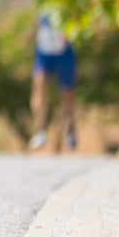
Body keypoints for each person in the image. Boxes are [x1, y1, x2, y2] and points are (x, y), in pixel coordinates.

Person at [28, 10, 77, 152]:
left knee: (67, 95)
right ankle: (40, 131)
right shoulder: (44, 0)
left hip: (64, 52)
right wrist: (31, 35)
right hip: (44, 53)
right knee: (39, 89)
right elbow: (38, 21)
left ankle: (70, 129)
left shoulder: (66, 0)